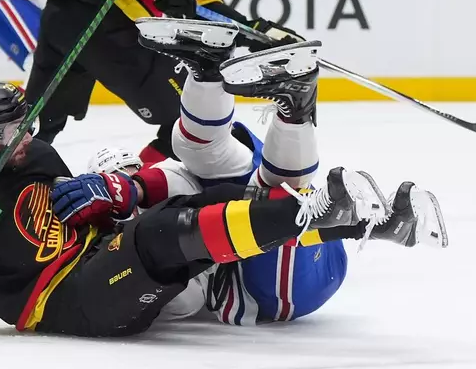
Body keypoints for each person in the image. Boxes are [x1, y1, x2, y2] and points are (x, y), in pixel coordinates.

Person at [0, 80, 391, 345]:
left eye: (27, 122)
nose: (26, 135)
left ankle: (343, 220)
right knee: (163, 233)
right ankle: (315, 217)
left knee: (199, 203)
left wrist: (110, 195)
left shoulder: (38, 156)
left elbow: (83, 216)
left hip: (99, 257)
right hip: (71, 306)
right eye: (10, 130)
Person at [57, 20, 449, 324]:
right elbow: (187, 297)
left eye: (130, 168)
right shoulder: (120, 253)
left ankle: (211, 72)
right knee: (262, 203)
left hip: (305, 241)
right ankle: (297, 114)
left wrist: (130, 186)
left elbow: (171, 177)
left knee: (195, 148)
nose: (129, 176)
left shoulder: (155, 182)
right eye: (116, 176)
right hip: (272, 292)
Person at [23, 0, 306, 163]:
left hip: (66, 12)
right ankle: (128, 195)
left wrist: (255, 31)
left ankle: (5, 198)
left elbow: (202, 4)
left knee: (35, 124)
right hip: (109, 22)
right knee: (192, 121)